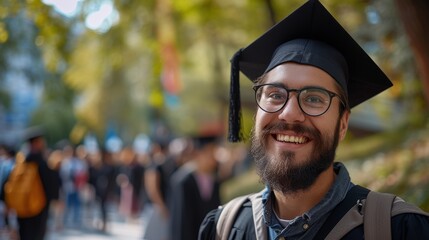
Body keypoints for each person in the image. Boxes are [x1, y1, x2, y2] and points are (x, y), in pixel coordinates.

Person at [199, 1, 429, 239]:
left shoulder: (399, 230)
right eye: (275, 95)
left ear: (342, 124)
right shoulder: (223, 228)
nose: (289, 113)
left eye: (314, 99)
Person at [169, 135, 221, 240]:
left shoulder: (214, 181)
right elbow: (180, 222)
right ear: (198, 154)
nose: (214, 157)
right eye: (210, 153)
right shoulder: (183, 181)